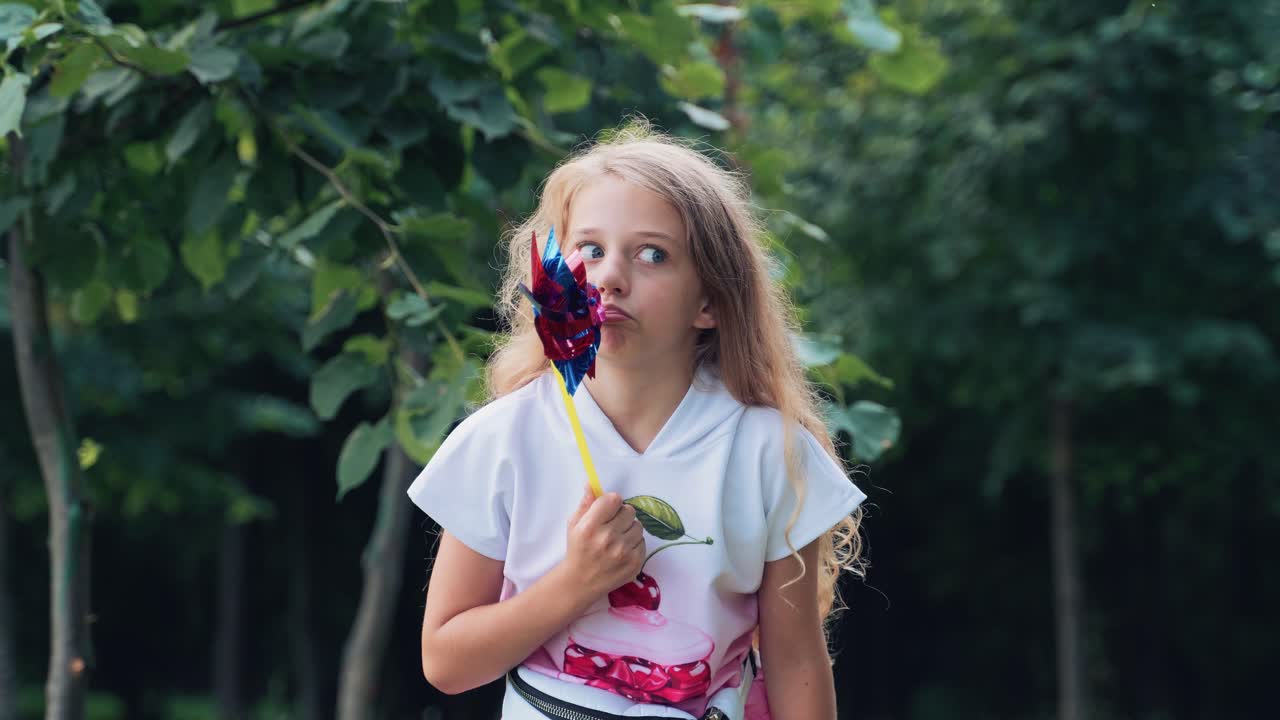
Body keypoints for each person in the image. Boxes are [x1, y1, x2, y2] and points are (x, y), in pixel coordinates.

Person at [407, 120, 868, 719]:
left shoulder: (768, 452)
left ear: (710, 303)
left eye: (653, 254)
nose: (610, 277)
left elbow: (797, 663)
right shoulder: (503, 440)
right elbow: (446, 662)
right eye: (591, 250)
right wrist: (576, 582)